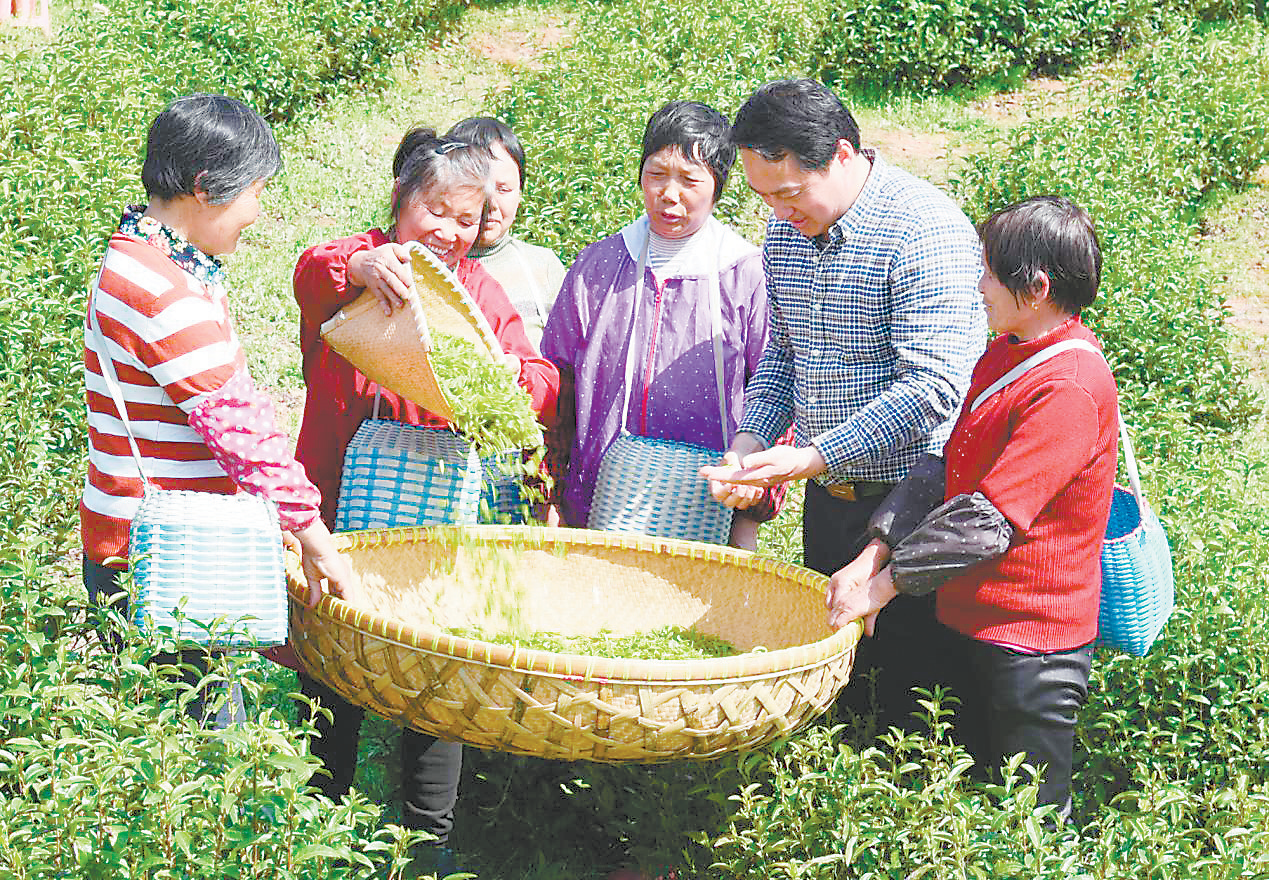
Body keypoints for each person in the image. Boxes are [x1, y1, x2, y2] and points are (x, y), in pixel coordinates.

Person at [291, 126, 559, 873]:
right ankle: (315, 827)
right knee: (333, 663)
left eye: (467, 219)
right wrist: (361, 264)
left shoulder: (480, 292)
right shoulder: (355, 264)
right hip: (343, 511)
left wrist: (508, 374)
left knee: (437, 675)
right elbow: (312, 273)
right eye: (435, 211)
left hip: (439, 523)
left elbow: (539, 383)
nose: (449, 231)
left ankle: (425, 844)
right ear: (399, 202)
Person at [700, 79, 986, 733]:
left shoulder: (923, 230)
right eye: (763, 196)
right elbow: (782, 358)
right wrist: (749, 445)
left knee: (915, 702)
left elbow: (933, 387)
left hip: (914, 502)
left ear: (839, 155)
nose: (776, 211)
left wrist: (809, 455)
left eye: (788, 192)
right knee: (834, 687)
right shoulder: (785, 238)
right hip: (830, 500)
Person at [826, 196, 1116, 818]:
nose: (978, 287)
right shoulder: (1008, 350)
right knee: (968, 805)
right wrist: (874, 552)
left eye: (988, 272)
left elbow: (988, 519)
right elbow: (943, 465)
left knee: (1031, 822)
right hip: (969, 618)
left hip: (1028, 643)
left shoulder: (1067, 387)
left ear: (1035, 288)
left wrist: (883, 590)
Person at [81, 94, 357, 726]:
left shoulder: (140, 256)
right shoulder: (161, 290)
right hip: (157, 556)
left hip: (133, 537)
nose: (257, 213)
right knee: (199, 754)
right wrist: (314, 539)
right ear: (205, 189)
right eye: (254, 192)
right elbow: (241, 430)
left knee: (161, 735)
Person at [541, 100, 784, 551]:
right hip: (598, 501)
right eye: (657, 175)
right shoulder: (599, 266)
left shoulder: (747, 275)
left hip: (708, 506)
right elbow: (557, 381)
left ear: (718, 189)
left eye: (690, 180)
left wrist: (751, 508)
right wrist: (548, 490)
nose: (670, 195)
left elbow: (774, 391)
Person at [445, 116, 566, 349]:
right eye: (476, 188)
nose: (491, 204)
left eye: (504, 189)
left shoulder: (543, 267)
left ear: (520, 192)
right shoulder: (428, 265)